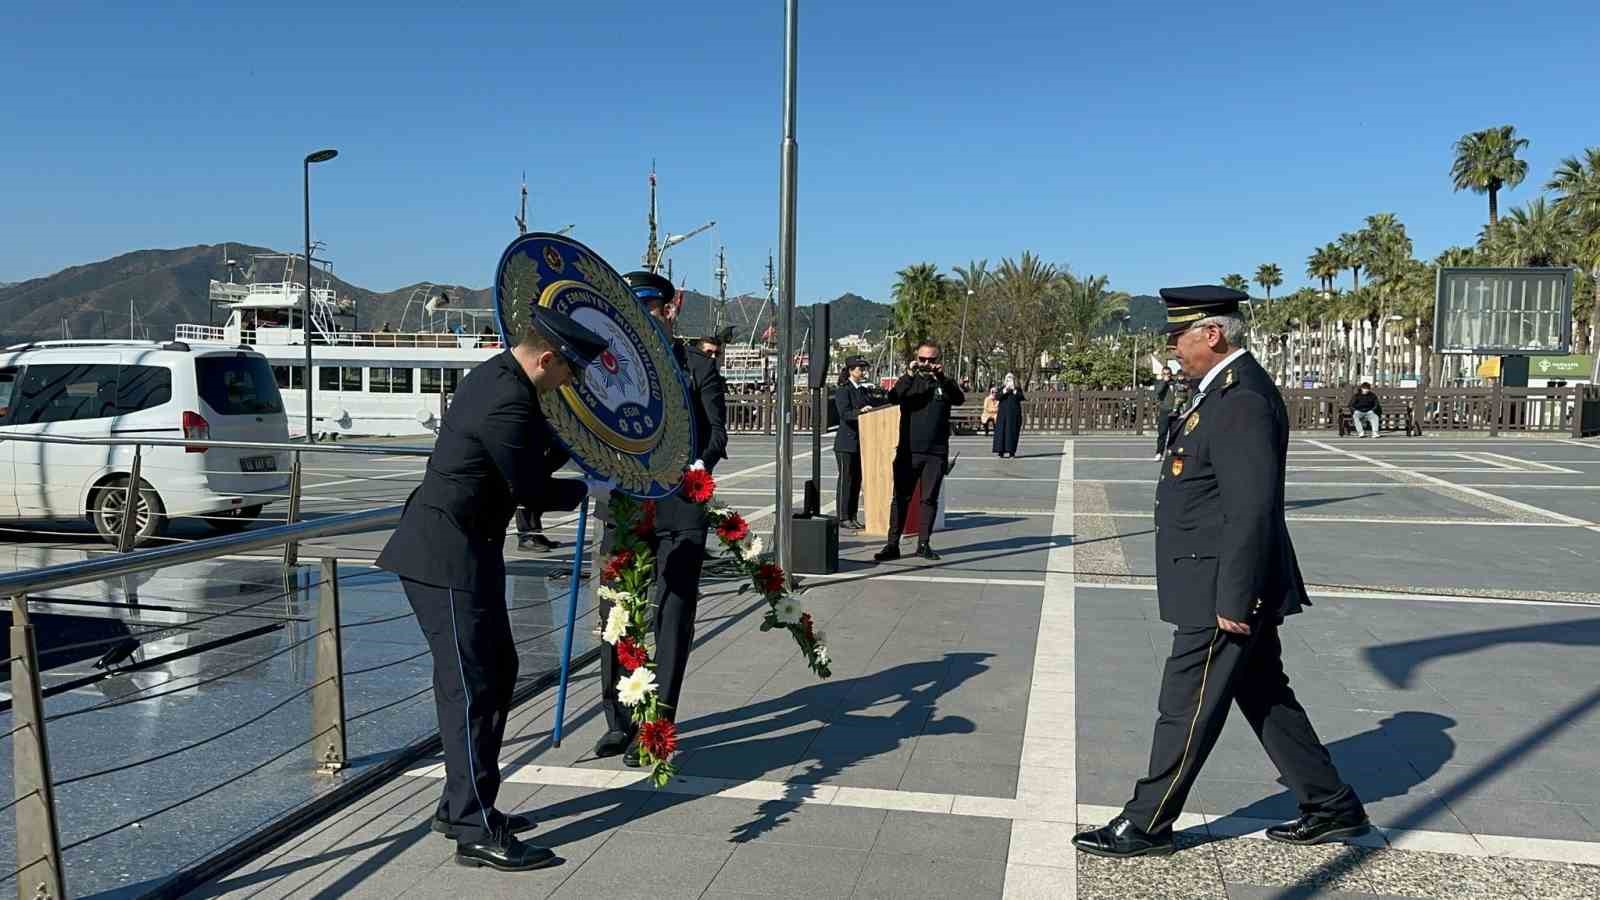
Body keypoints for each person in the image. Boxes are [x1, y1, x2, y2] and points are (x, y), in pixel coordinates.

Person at [1072, 285, 1368, 860]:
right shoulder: (1219, 392)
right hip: (1216, 576)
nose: (1173, 348)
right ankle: (1331, 804)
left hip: (1222, 586)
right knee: (1263, 694)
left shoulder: (1241, 398)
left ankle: (1147, 822)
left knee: (1186, 702)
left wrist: (1235, 596)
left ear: (1211, 334)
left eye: (1178, 336)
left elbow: (1249, 507)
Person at [376, 306, 607, 872]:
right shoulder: (506, 395)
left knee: (496, 672)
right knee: (471, 687)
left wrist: (579, 447)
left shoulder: (506, 380)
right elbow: (527, 484)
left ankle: (462, 805)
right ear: (546, 358)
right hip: (445, 557)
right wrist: (587, 489)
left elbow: (532, 448)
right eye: (569, 373)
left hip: (468, 551)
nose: (569, 383)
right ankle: (474, 827)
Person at [594, 270, 729, 763]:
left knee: (672, 616)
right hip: (628, 506)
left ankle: (657, 725)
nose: (641, 320)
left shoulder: (696, 366)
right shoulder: (604, 368)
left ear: (668, 310)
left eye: (648, 310)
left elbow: (717, 434)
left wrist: (696, 466)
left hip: (680, 505)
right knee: (617, 614)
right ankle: (619, 720)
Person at [874, 340, 964, 562]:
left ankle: (923, 544)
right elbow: (893, 397)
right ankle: (892, 545)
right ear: (916, 359)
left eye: (931, 360)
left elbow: (959, 399)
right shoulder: (910, 382)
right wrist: (910, 373)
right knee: (900, 498)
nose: (926, 364)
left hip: (936, 452)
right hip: (909, 451)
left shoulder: (944, 383)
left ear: (938, 361)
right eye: (922, 360)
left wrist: (941, 377)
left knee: (929, 499)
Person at [833, 355, 874, 531]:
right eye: (859, 368)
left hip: (861, 442)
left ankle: (853, 515)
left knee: (856, 480)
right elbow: (845, 413)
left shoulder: (863, 390)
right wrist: (860, 412)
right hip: (846, 442)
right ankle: (843, 516)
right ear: (851, 370)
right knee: (846, 480)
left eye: (863, 368)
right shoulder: (844, 390)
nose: (862, 371)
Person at [992, 373, 1025, 458]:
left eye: (1010, 378)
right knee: (1001, 432)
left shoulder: (1017, 389)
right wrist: (1005, 390)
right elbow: (997, 397)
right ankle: (1001, 451)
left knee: (1012, 433)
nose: (1009, 380)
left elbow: (1021, 397)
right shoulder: (1002, 388)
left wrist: (1014, 390)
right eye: (1007, 379)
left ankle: (1011, 452)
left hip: (1013, 415)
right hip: (1003, 415)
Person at [1153, 368, 1181, 460]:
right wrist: (1164, 382)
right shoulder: (1159, 383)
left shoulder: (1175, 383)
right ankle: (1159, 453)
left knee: (1174, 433)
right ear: (1162, 374)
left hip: (1175, 411)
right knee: (1162, 433)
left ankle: (1170, 452)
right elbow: (1158, 392)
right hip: (1164, 411)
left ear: (1171, 374)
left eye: (1168, 373)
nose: (1166, 375)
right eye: (1164, 373)